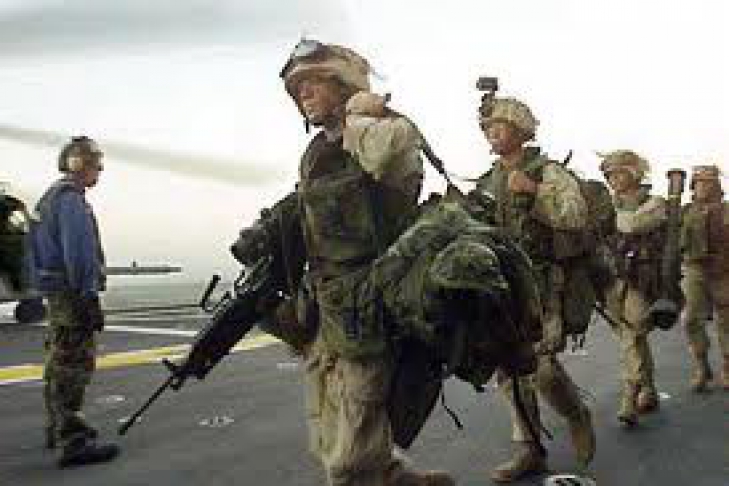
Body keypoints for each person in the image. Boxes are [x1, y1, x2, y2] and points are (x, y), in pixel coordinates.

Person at [273, 39, 454, 486]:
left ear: (344, 84)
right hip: (327, 303)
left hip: (373, 303)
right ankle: (395, 476)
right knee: (327, 421)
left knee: (350, 456)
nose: (303, 93)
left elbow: (383, 157)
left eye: (314, 82)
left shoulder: (387, 131)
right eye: (297, 88)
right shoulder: (317, 153)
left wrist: (358, 115)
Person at [473, 97, 595, 482]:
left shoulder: (548, 171)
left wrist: (535, 190)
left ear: (521, 130)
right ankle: (528, 448)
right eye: (488, 127)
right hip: (502, 286)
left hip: (543, 282)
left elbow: (575, 214)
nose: (492, 133)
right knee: (509, 372)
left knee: (541, 369)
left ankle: (576, 414)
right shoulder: (486, 181)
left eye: (500, 125)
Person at [29, 136, 119, 467]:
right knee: (75, 364)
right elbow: (79, 253)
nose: (99, 170)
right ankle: (73, 441)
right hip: (72, 293)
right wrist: (88, 296)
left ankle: (58, 426)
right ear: (78, 164)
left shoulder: (50, 198)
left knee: (58, 359)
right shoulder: (70, 201)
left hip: (56, 292)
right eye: (95, 163)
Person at [599, 150, 666, 427]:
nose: (613, 180)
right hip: (613, 279)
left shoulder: (655, 203)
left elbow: (634, 224)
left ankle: (630, 395)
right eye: (609, 176)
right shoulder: (608, 205)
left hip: (641, 280)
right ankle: (648, 389)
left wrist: (604, 212)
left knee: (632, 333)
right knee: (632, 337)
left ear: (634, 173)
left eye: (618, 174)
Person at [680, 164, 729, 391]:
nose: (703, 187)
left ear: (716, 185)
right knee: (690, 318)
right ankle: (701, 365)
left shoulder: (726, 210)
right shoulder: (685, 212)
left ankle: (727, 366)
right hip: (694, 268)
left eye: (708, 182)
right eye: (699, 182)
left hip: (723, 270)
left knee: (725, 319)